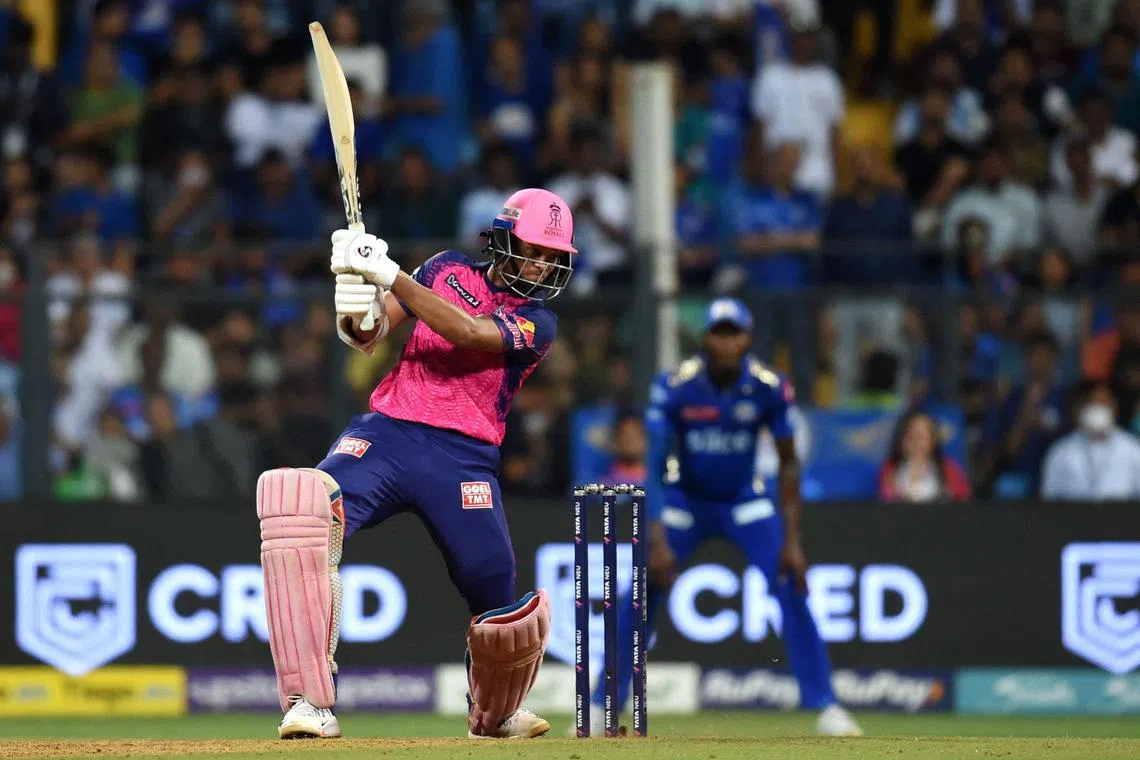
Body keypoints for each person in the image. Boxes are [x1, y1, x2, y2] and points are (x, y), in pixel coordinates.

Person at [257, 188, 576, 740]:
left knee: (502, 608)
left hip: (465, 457)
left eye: (553, 257)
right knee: (300, 504)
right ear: (502, 240)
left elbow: (468, 332)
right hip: (389, 433)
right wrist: (356, 303)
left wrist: (387, 272)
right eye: (533, 250)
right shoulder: (446, 267)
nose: (542, 265)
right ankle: (307, 701)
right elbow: (370, 336)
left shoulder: (538, 322)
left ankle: (493, 715)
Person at [584, 298, 862, 737]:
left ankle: (825, 704)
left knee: (791, 583)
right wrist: (654, 535)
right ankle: (602, 707)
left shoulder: (769, 385)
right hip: (685, 502)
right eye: (720, 332)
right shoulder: (677, 385)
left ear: (748, 337)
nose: (727, 341)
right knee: (639, 587)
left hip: (743, 502)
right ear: (708, 337)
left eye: (735, 332)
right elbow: (655, 464)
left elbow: (789, 464)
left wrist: (792, 541)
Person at [1040, 383, 1140, 500]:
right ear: (1081, 409)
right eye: (1093, 404)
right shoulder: (1061, 451)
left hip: (1121, 516)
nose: (1098, 409)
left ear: (1115, 408)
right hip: (1073, 516)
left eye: (1103, 403)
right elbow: (1048, 499)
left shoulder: (1133, 449)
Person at [878, 411, 971, 503]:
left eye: (923, 436)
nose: (917, 442)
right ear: (902, 439)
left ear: (933, 440)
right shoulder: (890, 470)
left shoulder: (950, 469)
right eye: (911, 435)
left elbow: (963, 504)